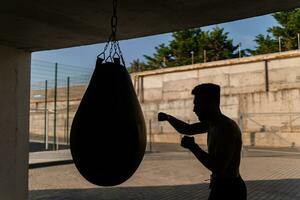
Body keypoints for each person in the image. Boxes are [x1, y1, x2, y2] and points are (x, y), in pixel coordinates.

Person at [158, 83, 247, 200]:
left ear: (211, 104)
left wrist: (193, 147)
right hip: (221, 187)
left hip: (230, 191)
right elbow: (188, 129)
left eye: (197, 105)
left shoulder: (226, 128)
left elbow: (219, 167)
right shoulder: (211, 124)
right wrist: (169, 118)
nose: (194, 110)